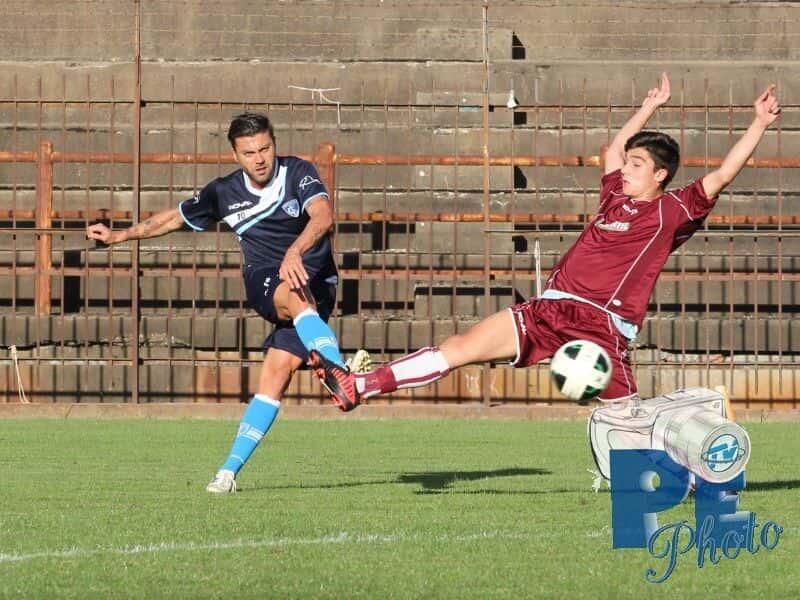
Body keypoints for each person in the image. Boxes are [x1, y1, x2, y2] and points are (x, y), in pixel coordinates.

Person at [313, 73, 781, 408]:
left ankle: (691, 465)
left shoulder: (672, 210)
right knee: (459, 346)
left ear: (661, 175)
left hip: (600, 325)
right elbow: (611, 150)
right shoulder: (615, 195)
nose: (627, 168)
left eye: (639, 165)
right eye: (630, 162)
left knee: (628, 422)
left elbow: (722, 174)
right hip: (549, 307)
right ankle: (362, 386)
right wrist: (648, 107)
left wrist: (758, 122)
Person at [87, 112, 356, 494]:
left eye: (265, 148)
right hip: (267, 279)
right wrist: (119, 236)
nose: (259, 158)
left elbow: (323, 216)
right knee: (296, 296)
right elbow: (173, 219)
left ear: (274, 144)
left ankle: (227, 473)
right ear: (235, 154)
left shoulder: (298, 172)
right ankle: (338, 369)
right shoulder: (223, 192)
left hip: (318, 284)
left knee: (275, 376)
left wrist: (296, 251)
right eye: (249, 152)